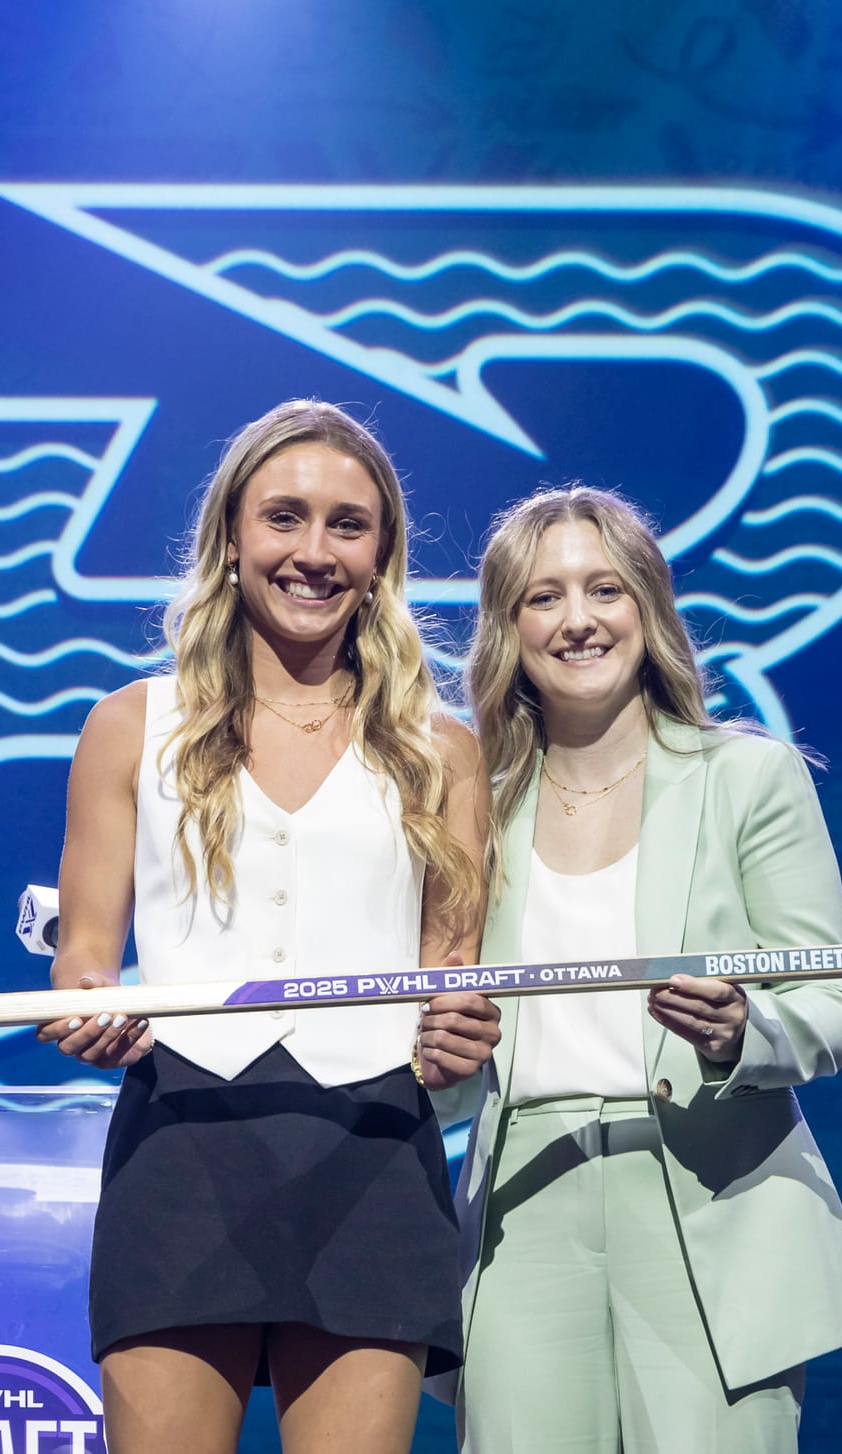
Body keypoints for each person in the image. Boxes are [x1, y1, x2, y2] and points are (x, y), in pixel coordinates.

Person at [34, 400, 501, 1454]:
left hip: (372, 1153)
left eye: (347, 524)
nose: (313, 551)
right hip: (182, 1146)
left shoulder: (442, 751)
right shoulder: (130, 726)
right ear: (232, 537)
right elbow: (82, 963)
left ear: (380, 556)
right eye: (284, 516)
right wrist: (87, 1011)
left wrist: (460, 1035)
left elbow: (454, 982)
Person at [445, 485, 842, 1452]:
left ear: (647, 607)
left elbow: (831, 1003)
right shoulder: (474, 808)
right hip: (523, 1200)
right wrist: (437, 1065)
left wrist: (742, 1033)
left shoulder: (747, 777)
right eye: (544, 596)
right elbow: (451, 1060)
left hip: (713, 1190)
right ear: (509, 630)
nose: (578, 619)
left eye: (604, 589)